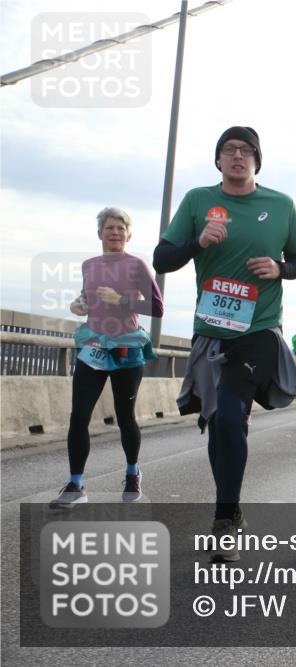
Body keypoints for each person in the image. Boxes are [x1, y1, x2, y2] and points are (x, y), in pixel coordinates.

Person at [153, 126, 296, 562]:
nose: (237, 156)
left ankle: (224, 522)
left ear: (257, 160)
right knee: (218, 422)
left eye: (245, 150)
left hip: (258, 331)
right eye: (229, 150)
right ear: (218, 159)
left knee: (228, 412)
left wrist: (279, 269)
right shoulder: (197, 201)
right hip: (210, 331)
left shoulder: (280, 205)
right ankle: (233, 510)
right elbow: (161, 258)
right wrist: (197, 242)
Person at [50, 207, 164, 509]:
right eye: (110, 227)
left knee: (125, 417)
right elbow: (88, 299)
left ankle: (132, 474)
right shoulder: (89, 265)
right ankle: (76, 485)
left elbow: (157, 307)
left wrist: (121, 300)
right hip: (94, 346)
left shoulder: (136, 265)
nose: (115, 232)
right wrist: (79, 305)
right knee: (79, 416)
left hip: (127, 347)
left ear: (129, 235)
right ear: (99, 233)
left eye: (121, 228)